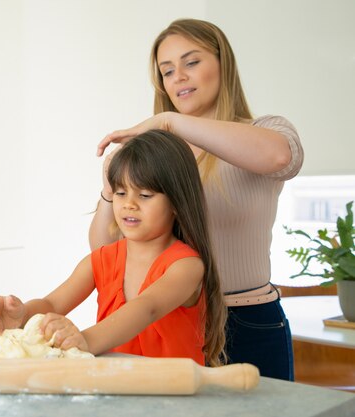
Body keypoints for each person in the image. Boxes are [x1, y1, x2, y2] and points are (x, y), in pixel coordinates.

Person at [91, 18, 304, 380]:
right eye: (167, 70)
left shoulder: (265, 131)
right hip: (169, 318)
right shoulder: (159, 158)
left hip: (249, 320)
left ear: (224, 64)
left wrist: (169, 121)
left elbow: (280, 158)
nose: (179, 77)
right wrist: (111, 189)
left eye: (191, 62)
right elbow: (106, 247)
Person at [0, 130, 228, 366]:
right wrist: (22, 316)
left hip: (173, 398)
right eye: (121, 193)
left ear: (176, 201)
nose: (129, 204)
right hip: (116, 395)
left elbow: (148, 309)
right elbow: (52, 304)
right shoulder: (101, 260)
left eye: (145, 195)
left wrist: (85, 339)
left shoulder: (186, 266)